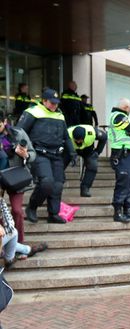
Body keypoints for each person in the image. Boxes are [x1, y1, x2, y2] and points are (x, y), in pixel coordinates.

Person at [19, 88, 76, 225]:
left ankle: (53, 214)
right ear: (44, 101)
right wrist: (23, 149)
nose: (54, 105)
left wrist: (72, 152)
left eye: (56, 103)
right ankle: (32, 207)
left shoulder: (59, 115)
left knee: (57, 185)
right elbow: (20, 131)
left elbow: (66, 137)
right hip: (39, 153)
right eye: (52, 103)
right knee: (46, 183)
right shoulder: (32, 112)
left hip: (56, 155)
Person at [0, 119, 47, 260]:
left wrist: (25, 155)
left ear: (5, 122)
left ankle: (19, 244)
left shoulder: (18, 133)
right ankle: (6, 247)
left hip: (15, 177)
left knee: (17, 210)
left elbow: (32, 154)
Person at [108, 98, 130, 222]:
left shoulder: (122, 117)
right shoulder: (118, 116)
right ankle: (117, 213)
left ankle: (127, 211)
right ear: (126, 107)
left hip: (128, 155)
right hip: (121, 155)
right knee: (123, 184)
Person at [68, 124, 107, 198]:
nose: (79, 141)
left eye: (80, 140)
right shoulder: (67, 133)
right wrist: (71, 155)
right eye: (77, 140)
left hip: (88, 150)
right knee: (60, 164)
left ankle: (85, 188)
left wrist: (97, 152)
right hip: (71, 150)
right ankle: (56, 188)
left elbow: (104, 137)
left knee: (93, 166)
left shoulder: (91, 132)